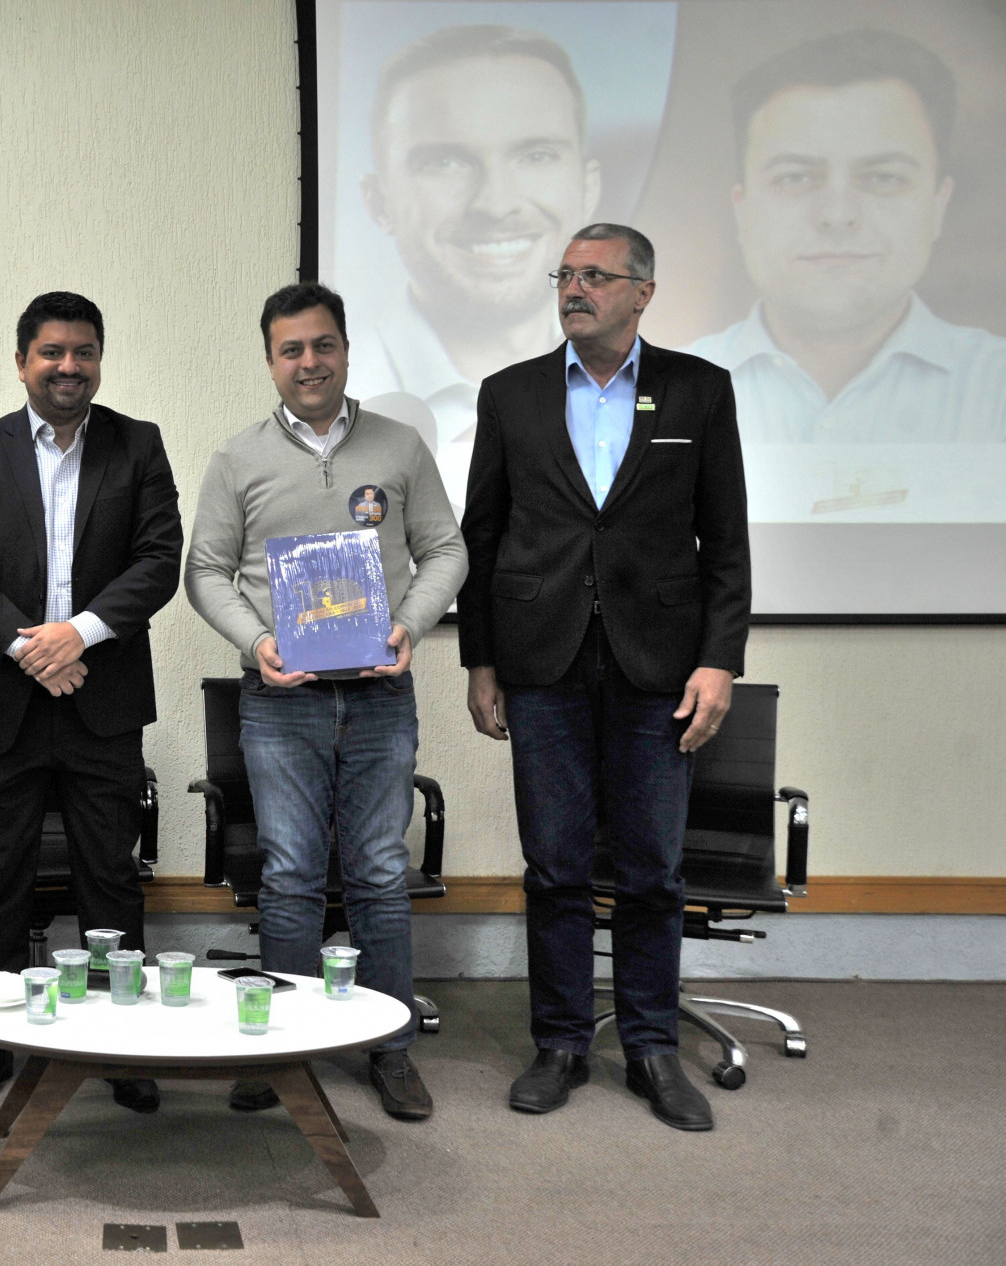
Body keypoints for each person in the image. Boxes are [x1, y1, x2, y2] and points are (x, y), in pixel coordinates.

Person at [459, 223, 750, 1131]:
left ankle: (653, 1050)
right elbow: (482, 533)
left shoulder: (699, 391)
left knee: (651, 867)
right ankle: (558, 1044)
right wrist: (479, 658)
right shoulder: (510, 394)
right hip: (540, 658)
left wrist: (718, 659)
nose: (574, 288)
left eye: (595, 275)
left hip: (656, 664)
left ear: (642, 292)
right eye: (566, 274)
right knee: (551, 865)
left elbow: (726, 542)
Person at [185, 282, 467, 1121]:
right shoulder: (238, 458)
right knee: (291, 876)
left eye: (322, 345)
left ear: (345, 350)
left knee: (380, 872)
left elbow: (444, 548)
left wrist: (412, 623)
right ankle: (282, 1054)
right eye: (290, 350)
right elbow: (204, 569)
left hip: (380, 696)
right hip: (280, 701)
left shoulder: (401, 445)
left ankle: (388, 1049)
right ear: (270, 361)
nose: (308, 362)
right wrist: (255, 641)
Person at [0, 291, 182, 1112]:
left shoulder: (136, 445)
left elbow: (158, 559)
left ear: (98, 360)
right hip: (4, 705)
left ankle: (121, 1045)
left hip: (101, 700)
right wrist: (29, 649)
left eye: (82, 352)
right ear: (21, 362)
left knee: (109, 878)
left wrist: (77, 634)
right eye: (51, 353)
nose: (68, 367)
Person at [687, 30, 1006, 443]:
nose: (837, 215)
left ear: (938, 205)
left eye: (884, 177)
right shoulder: (657, 396)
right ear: (742, 210)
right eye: (795, 177)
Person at [354, 24, 602, 471]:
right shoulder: (333, 399)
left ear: (588, 189)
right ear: (379, 202)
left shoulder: (653, 392)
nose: (496, 204)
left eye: (536, 156)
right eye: (446, 162)